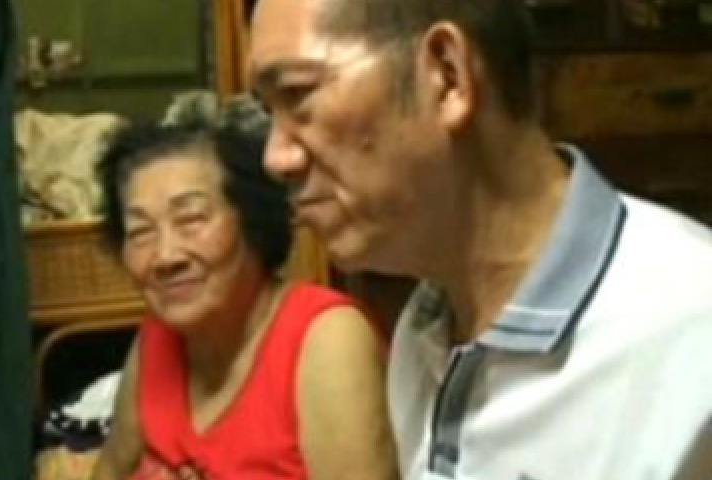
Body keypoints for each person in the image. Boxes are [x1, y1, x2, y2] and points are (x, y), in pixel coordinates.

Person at [248, 0, 712, 479]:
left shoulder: (692, 334)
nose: (275, 158)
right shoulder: (425, 330)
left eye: (297, 94)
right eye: (268, 111)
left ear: (448, 76)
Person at [90, 92, 398, 480]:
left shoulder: (328, 339)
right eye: (140, 232)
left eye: (191, 219)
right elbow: (111, 469)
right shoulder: (157, 339)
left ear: (252, 221)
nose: (165, 256)